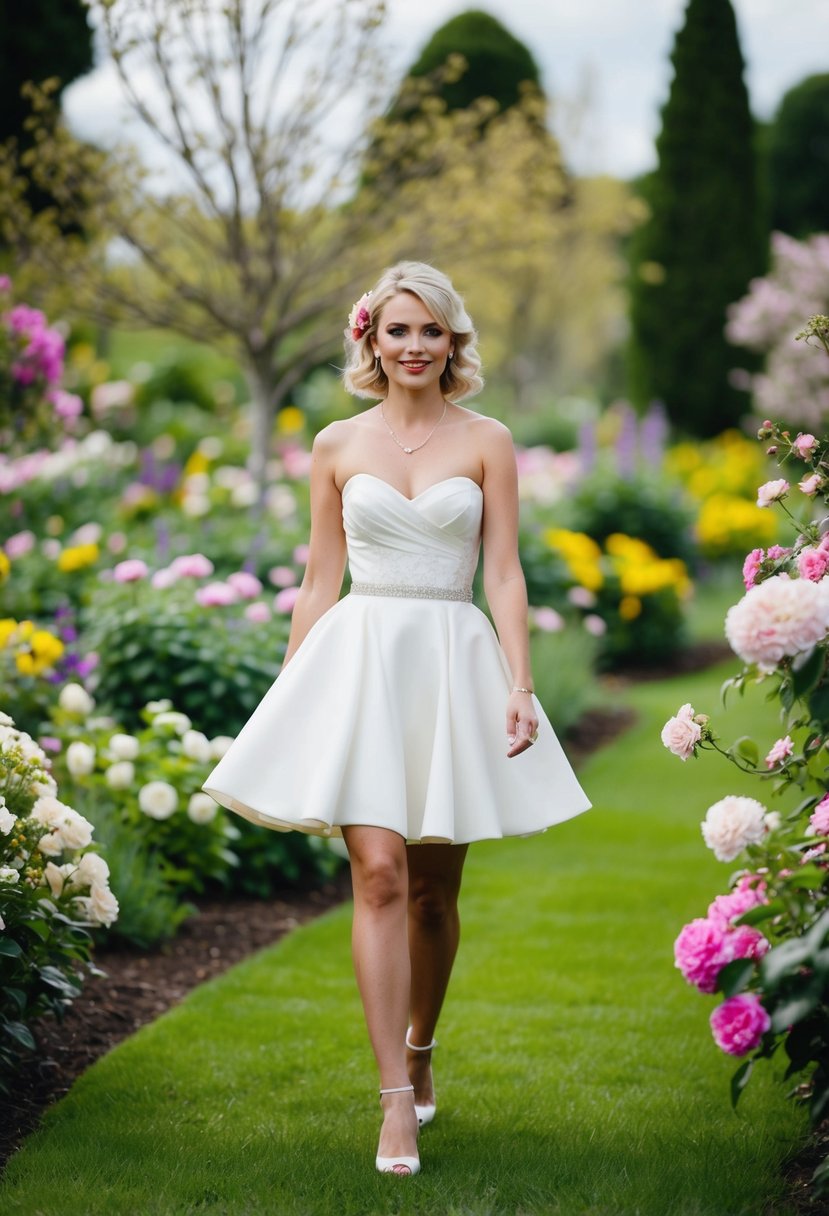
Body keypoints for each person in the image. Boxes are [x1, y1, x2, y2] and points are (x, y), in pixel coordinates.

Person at [203, 261, 591, 1177]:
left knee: (430, 894)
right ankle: (393, 1105)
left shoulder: (489, 440)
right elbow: (317, 578)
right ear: (369, 340)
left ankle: (421, 1045)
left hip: (454, 664)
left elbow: (503, 572)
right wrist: (293, 690)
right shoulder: (337, 444)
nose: (414, 347)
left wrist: (521, 684)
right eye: (398, 331)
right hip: (360, 662)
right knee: (376, 875)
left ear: (453, 342)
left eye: (431, 331)